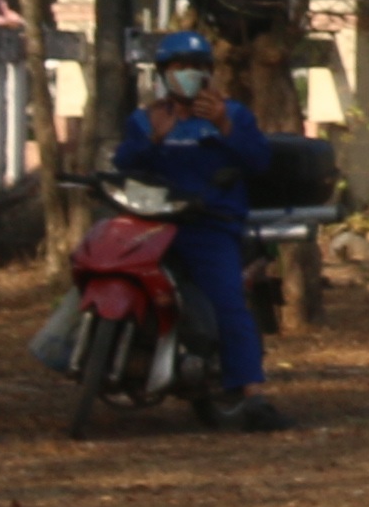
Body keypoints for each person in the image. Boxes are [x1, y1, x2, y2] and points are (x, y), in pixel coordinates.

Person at [115, 34, 283, 430]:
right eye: (178, 67)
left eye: (197, 67)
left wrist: (224, 124)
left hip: (210, 226)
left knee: (227, 301)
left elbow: (259, 161)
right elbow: (125, 165)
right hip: (152, 224)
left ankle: (252, 394)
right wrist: (152, 139)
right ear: (163, 74)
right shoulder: (146, 118)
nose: (188, 74)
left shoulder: (235, 115)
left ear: (209, 74)